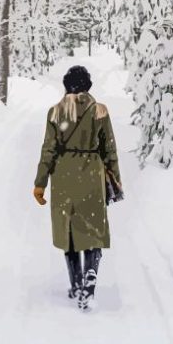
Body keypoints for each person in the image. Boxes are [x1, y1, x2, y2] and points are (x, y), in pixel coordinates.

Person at [33, 65, 122, 311]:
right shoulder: (99, 111)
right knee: (93, 230)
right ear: (88, 86)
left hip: (63, 177)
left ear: (66, 86)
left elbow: (48, 150)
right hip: (92, 175)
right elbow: (110, 149)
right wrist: (115, 181)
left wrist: (40, 183)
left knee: (69, 233)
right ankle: (90, 278)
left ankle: (75, 283)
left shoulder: (55, 112)